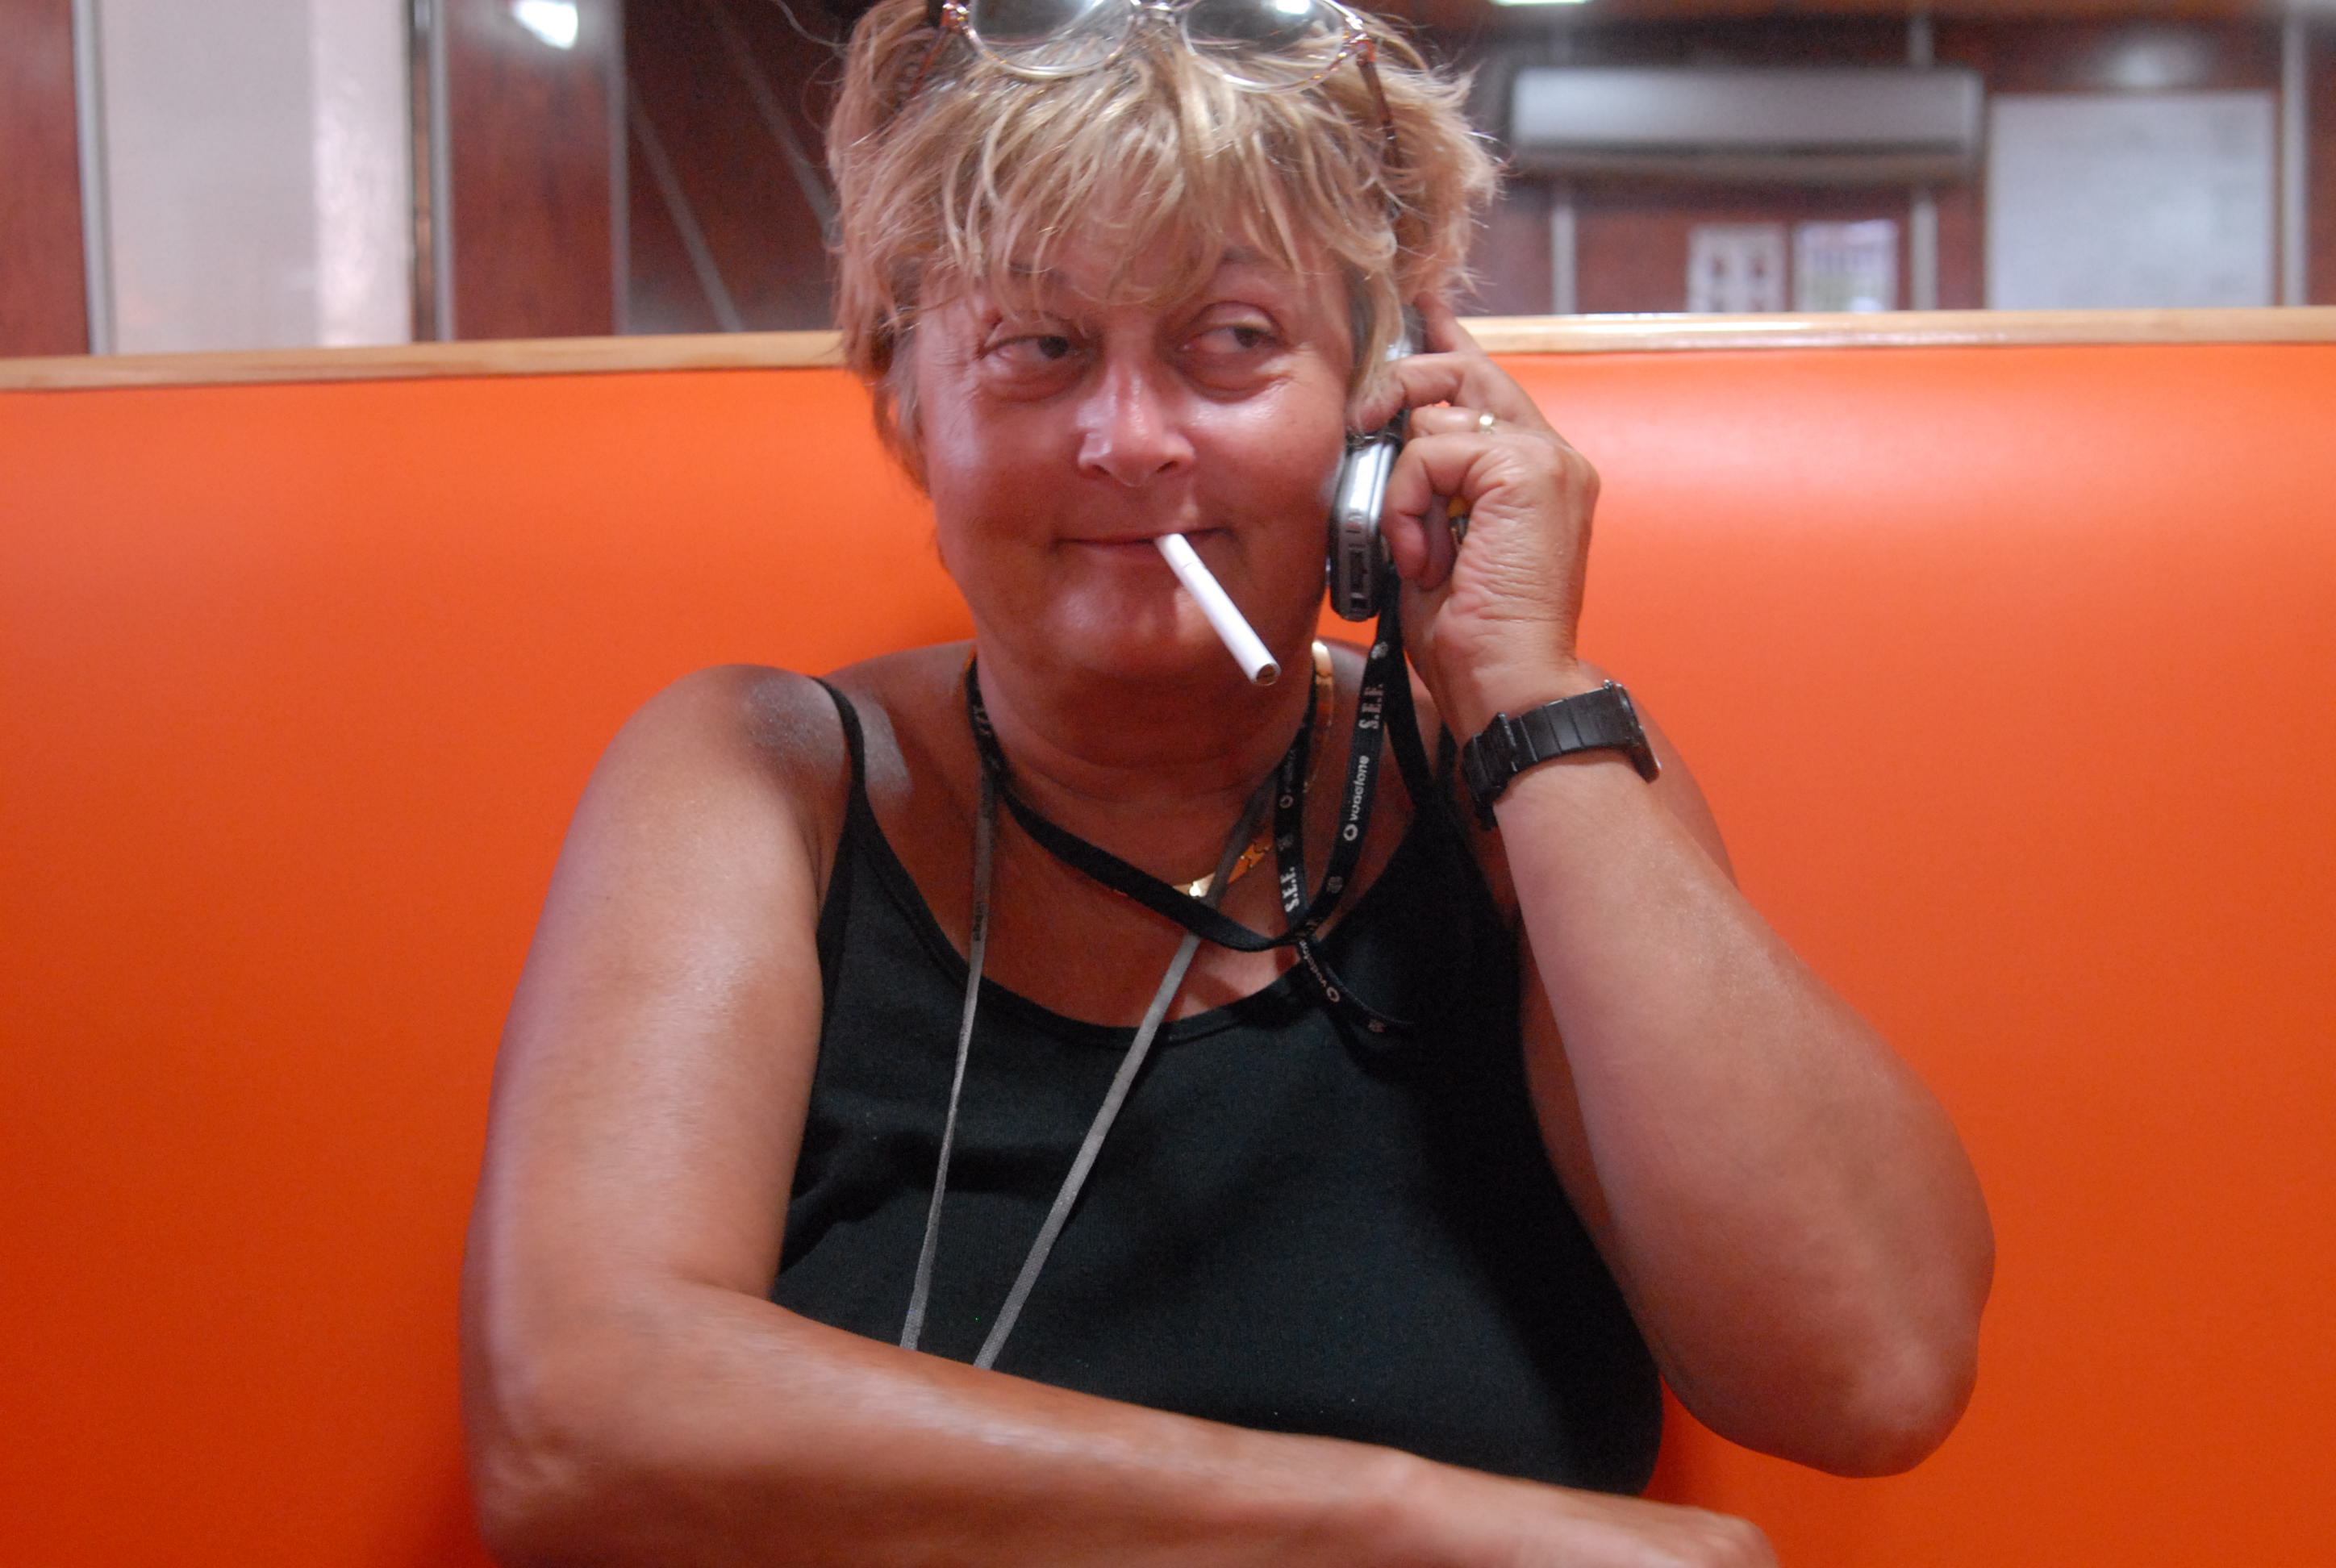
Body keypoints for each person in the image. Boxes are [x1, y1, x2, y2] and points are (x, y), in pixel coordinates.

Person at [459, 1, 1994, 1562]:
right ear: (907, 405)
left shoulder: (1525, 781)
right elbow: (577, 1427)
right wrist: (1401, 1522)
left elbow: (1869, 1375)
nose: (1130, 440)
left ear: (1385, 411)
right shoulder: (760, 780)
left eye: (1234, 339)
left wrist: (1524, 689)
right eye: (1039, 345)